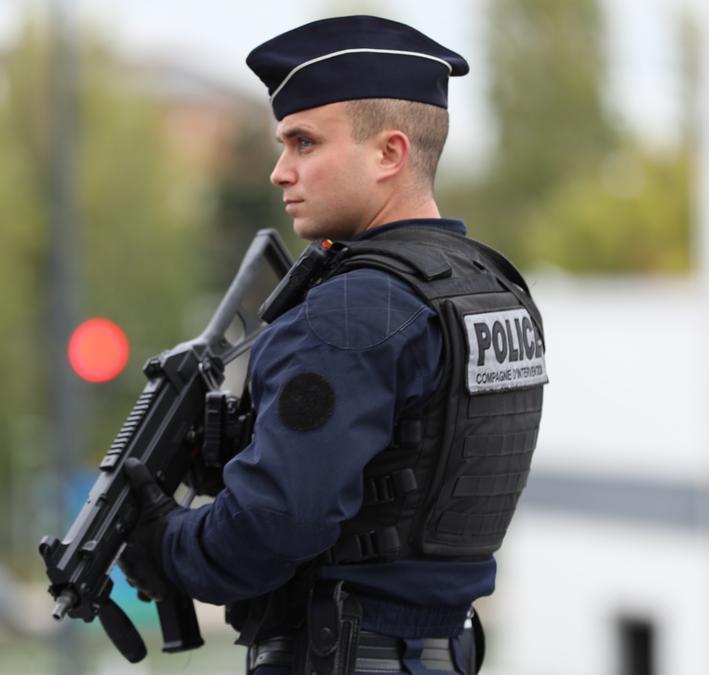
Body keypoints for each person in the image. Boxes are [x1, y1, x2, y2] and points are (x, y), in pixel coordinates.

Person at [119, 15, 548, 675]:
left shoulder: (348, 314)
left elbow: (267, 530)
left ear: (389, 154)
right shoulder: (493, 288)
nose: (279, 171)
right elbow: (408, 466)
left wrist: (164, 543)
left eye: (304, 143)